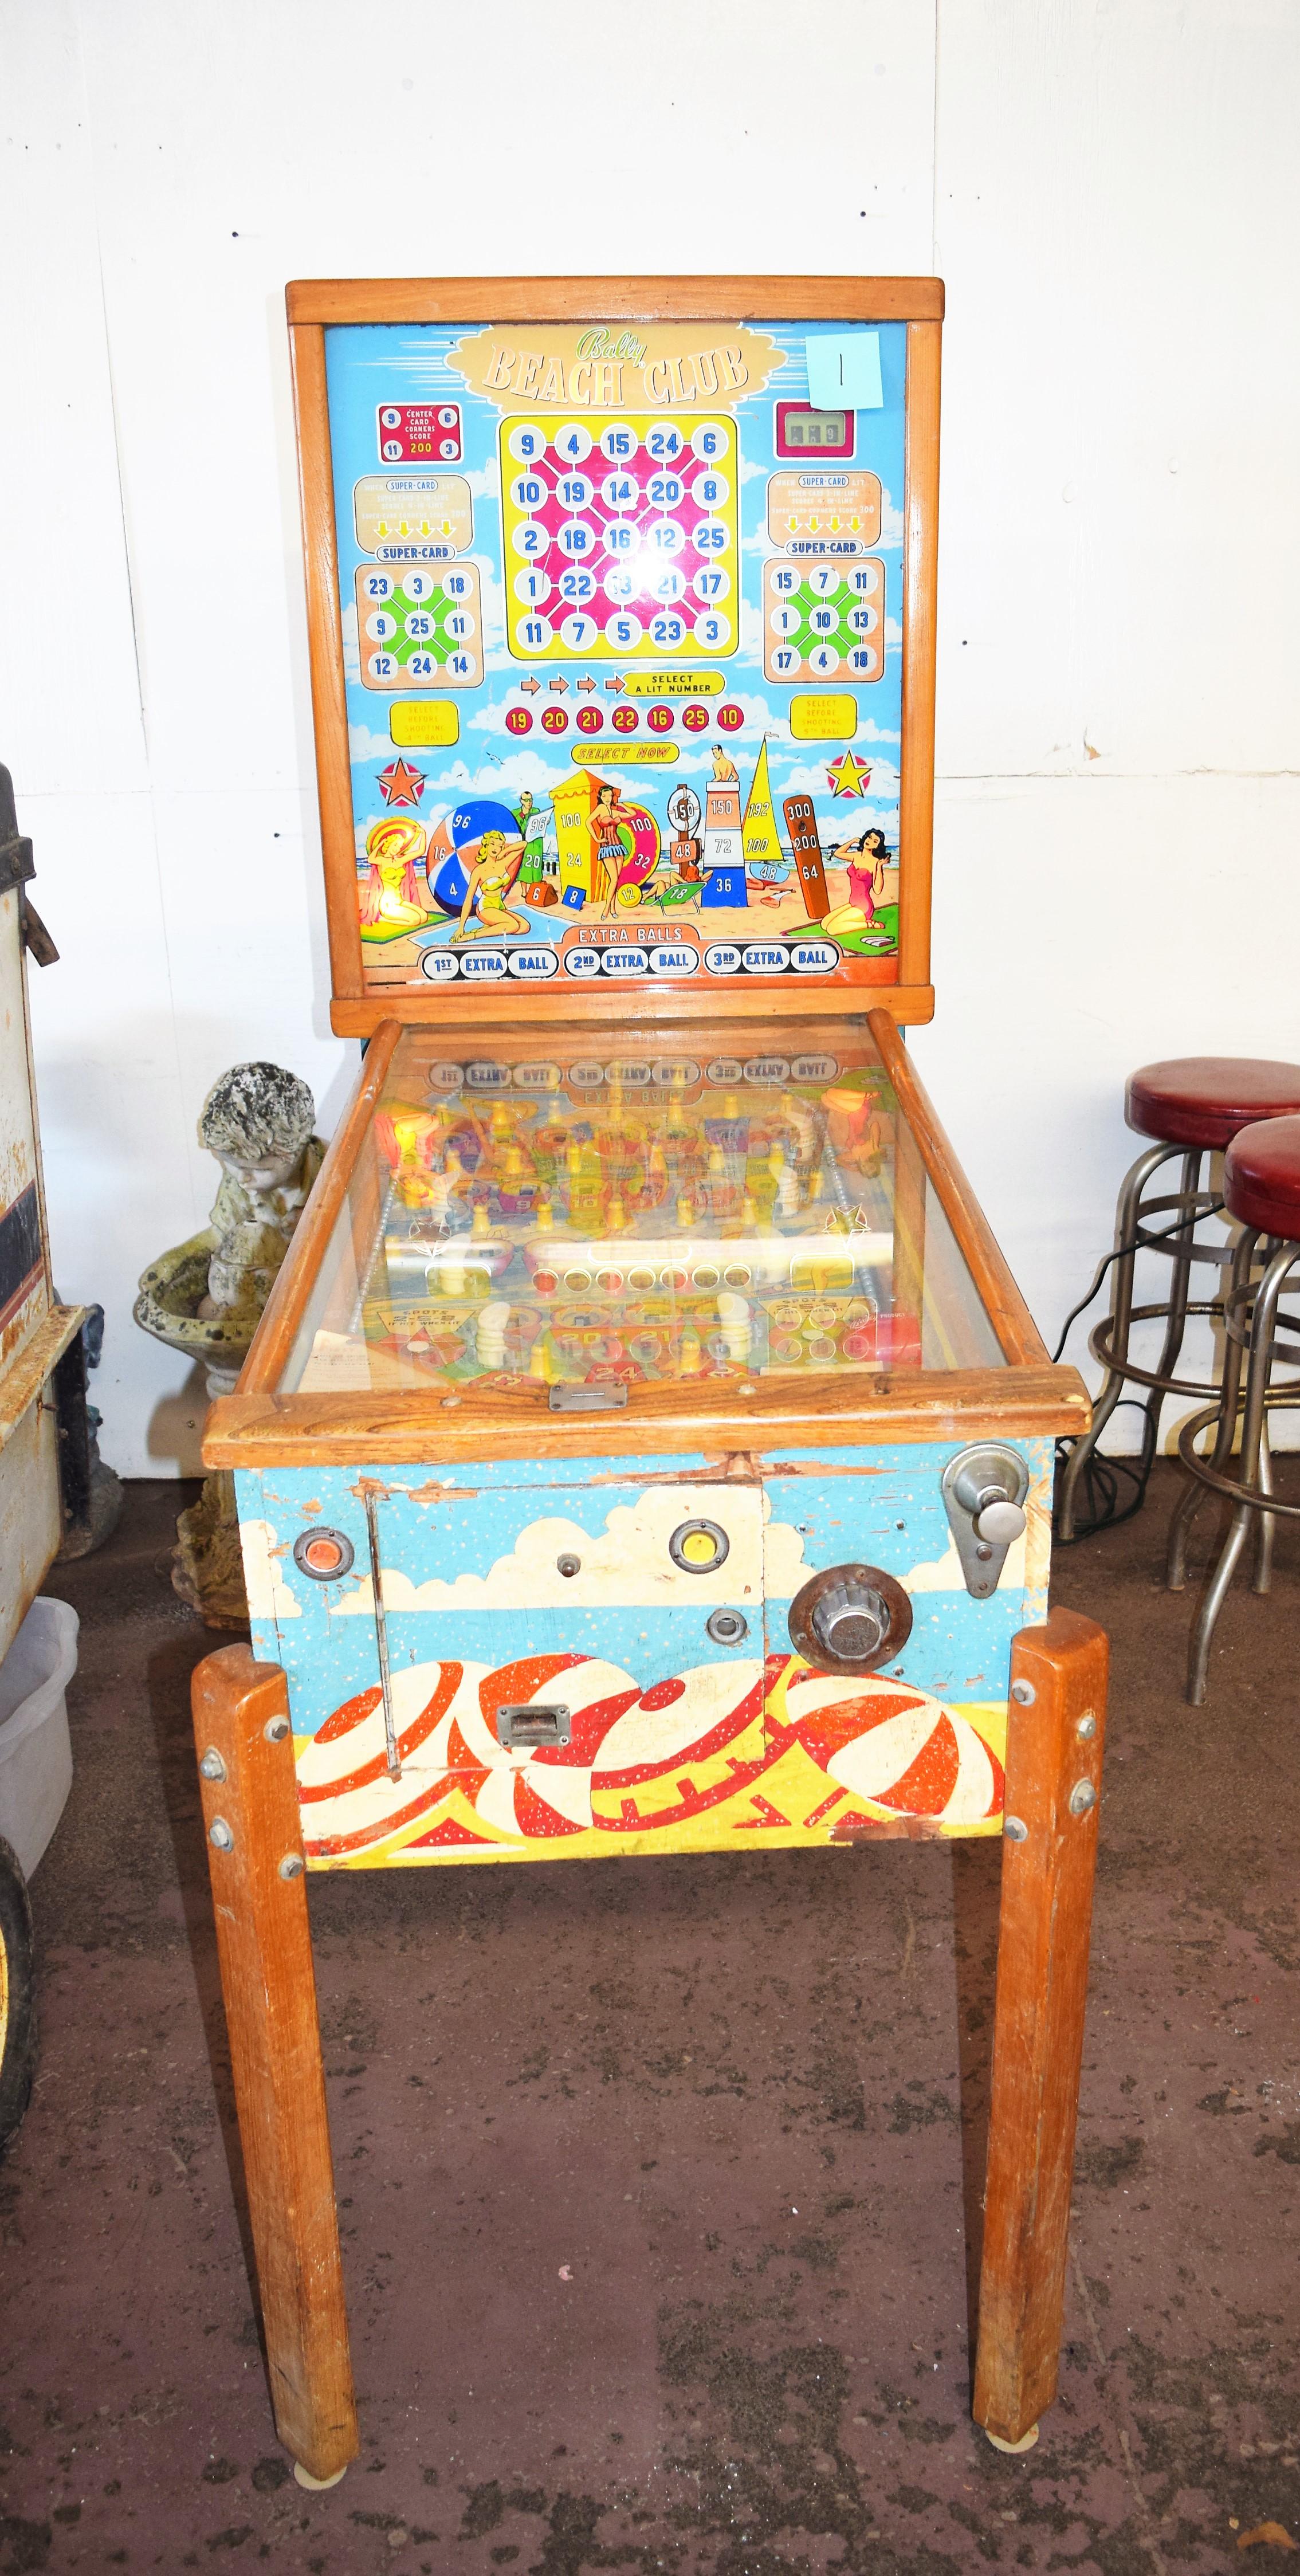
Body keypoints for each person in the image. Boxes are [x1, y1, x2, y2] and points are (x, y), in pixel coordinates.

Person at [455, 828, 528, 940]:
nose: (495, 848)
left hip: (499, 906)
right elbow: (469, 898)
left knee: (524, 927)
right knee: (513, 925)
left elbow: (524, 845)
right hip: (485, 908)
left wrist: (505, 852)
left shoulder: (503, 863)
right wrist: (461, 927)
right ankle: (473, 935)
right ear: (486, 845)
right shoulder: (479, 871)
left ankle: (486, 929)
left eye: (499, 846)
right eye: (492, 844)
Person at [830, 824, 889, 925]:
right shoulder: (856, 856)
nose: (869, 841)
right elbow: (837, 853)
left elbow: (878, 890)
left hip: (864, 907)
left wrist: (879, 867)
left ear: (877, 846)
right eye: (870, 837)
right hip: (852, 903)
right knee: (825, 924)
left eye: (875, 841)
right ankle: (867, 923)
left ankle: (870, 925)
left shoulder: (875, 862)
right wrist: (853, 841)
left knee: (832, 927)